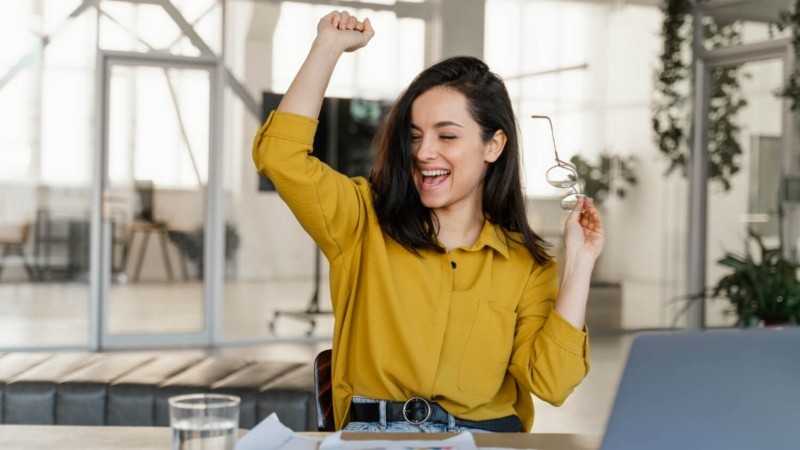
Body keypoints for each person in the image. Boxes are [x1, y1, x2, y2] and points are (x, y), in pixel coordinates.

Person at [252, 11, 604, 433]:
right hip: (378, 437)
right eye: (415, 135)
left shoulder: (526, 265)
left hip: (483, 438)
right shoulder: (362, 221)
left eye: (447, 136)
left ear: (493, 146)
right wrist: (327, 47)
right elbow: (280, 158)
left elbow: (553, 383)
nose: (422, 152)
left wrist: (578, 264)